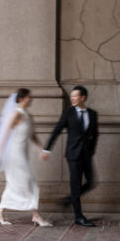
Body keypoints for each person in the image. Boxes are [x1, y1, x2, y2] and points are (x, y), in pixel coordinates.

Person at [0, 88, 52, 227]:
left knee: (14, 183)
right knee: (30, 181)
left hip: (23, 153)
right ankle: (36, 215)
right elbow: (4, 136)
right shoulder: (16, 114)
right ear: (21, 99)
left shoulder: (29, 115)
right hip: (14, 155)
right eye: (29, 97)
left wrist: (42, 150)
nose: (31, 99)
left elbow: (32, 135)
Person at [41, 86, 98, 227]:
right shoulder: (68, 113)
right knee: (75, 186)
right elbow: (57, 130)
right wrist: (47, 149)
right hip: (73, 155)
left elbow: (95, 134)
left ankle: (67, 201)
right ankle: (78, 217)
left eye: (75, 96)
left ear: (83, 97)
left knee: (91, 182)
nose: (72, 98)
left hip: (86, 155)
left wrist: (91, 151)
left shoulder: (92, 114)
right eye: (71, 96)